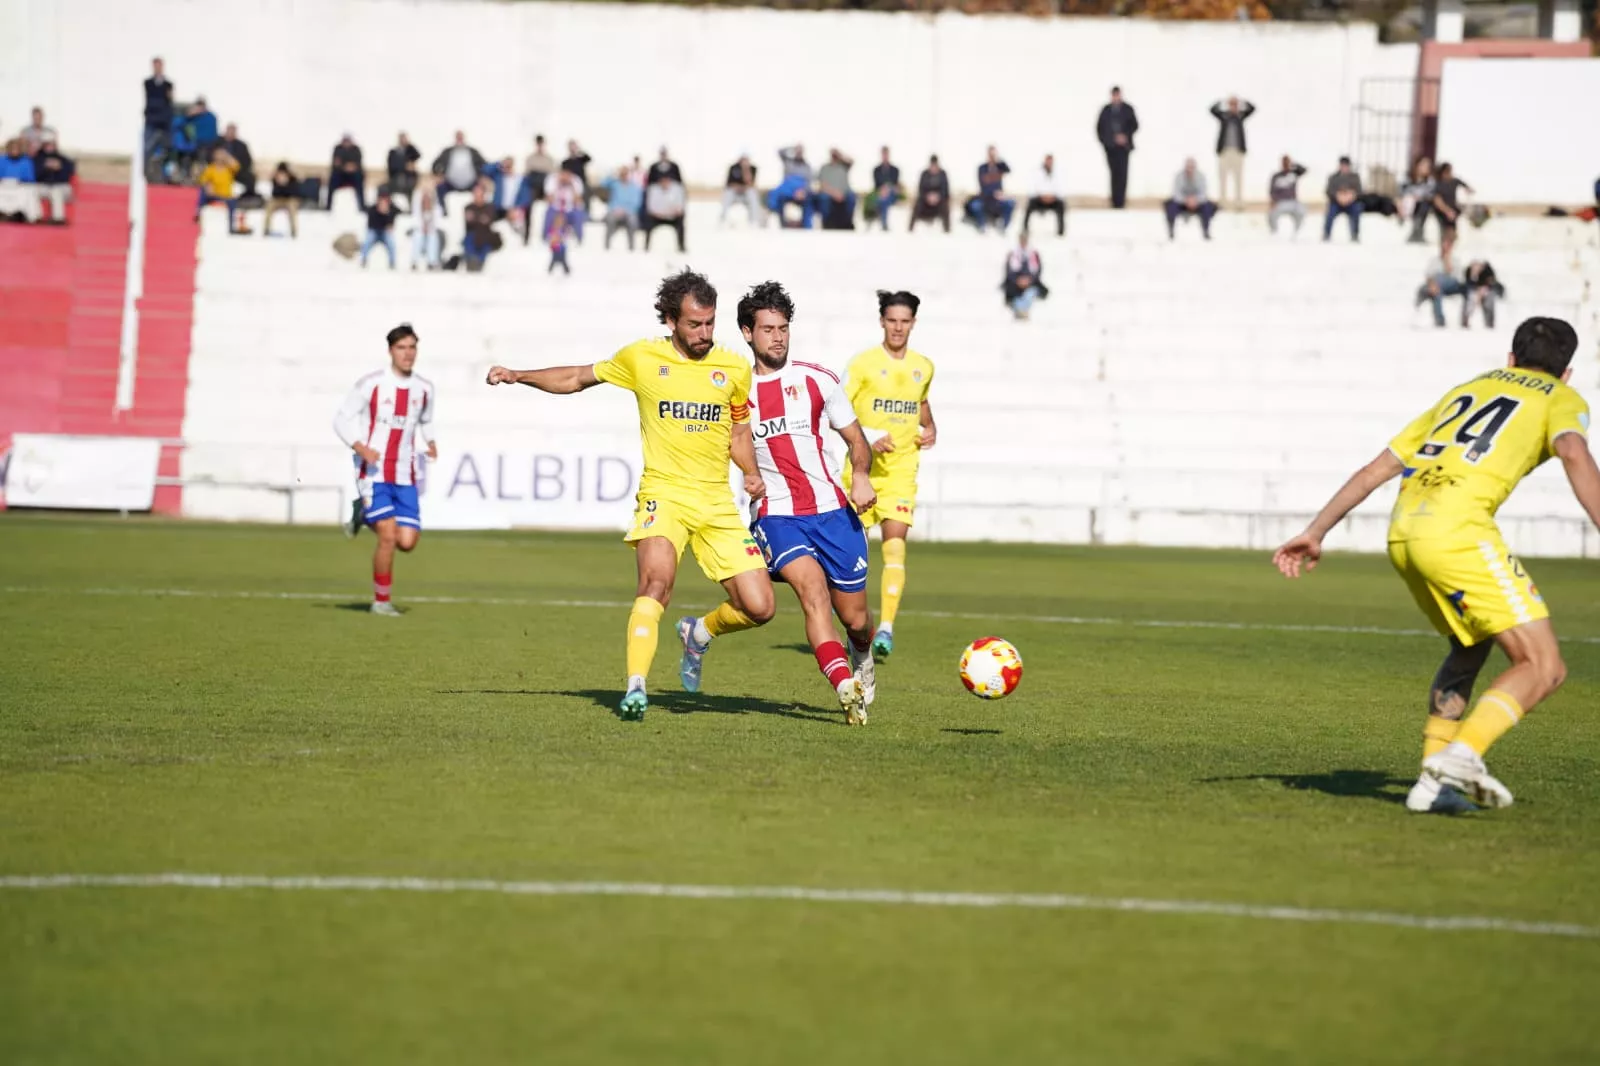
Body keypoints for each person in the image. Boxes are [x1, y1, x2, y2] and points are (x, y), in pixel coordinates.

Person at [1272, 318, 1595, 813]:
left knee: (1470, 646)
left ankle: (1431, 786)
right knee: (1544, 666)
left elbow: (1377, 468)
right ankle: (1463, 756)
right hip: (1457, 531)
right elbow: (1572, 450)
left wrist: (1316, 531)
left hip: (1405, 532)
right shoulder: (1559, 397)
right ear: (1566, 372)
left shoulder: (1466, 390)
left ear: (1509, 358)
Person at [484, 271, 775, 719]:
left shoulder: (734, 367)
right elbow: (578, 377)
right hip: (665, 495)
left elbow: (738, 432)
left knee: (760, 607)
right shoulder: (641, 358)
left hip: (716, 501)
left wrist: (752, 474)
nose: (704, 334)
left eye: (710, 323)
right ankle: (636, 687)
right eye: (695, 324)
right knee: (655, 585)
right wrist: (518, 374)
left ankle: (697, 633)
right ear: (670, 320)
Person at [705, 281, 880, 723]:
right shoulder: (733, 392)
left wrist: (860, 476)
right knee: (812, 593)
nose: (778, 337)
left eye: (783, 328)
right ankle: (845, 688)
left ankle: (861, 659)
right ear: (747, 333)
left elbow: (857, 441)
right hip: (778, 516)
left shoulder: (817, 379)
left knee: (856, 620)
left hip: (833, 514)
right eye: (767, 329)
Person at [843, 291, 938, 660]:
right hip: (863, 471)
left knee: (895, 545)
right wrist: (866, 432)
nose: (898, 327)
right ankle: (856, 624)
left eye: (905, 321)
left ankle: (885, 628)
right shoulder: (863, 364)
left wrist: (930, 428)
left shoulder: (923, 366)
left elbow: (922, 405)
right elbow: (837, 408)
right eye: (892, 320)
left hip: (901, 471)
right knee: (854, 555)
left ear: (913, 323)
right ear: (881, 321)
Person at [332, 324, 438, 616]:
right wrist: (359, 447)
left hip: (405, 474)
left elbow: (426, 420)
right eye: (402, 348)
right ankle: (381, 601)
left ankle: (362, 514)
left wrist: (430, 441)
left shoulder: (424, 388)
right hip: (373, 471)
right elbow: (341, 419)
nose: (408, 353)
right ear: (390, 350)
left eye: (412, 347)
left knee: (407, 542)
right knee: (388, 536)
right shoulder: (372, 384)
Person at [1209, 96, 1255, 211]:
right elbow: (1212, 110)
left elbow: (1252, 109)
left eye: (1235, 104)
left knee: (1238, 178)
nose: (1233, 106)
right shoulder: (1224, 116)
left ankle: (1238, 203)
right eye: (1231, 104)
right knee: (1223, 178)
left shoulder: (1240, 116)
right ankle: (1223, 203)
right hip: (1225, 151)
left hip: (1237, 152)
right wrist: (1222, 101)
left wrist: (1243, 102)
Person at [1096, 86, 1138, 209]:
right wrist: (1110, 140)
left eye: (1118, 95)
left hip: (1124, 148)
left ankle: (1121, 201)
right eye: (1114, 95)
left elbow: (1135, 125)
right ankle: (1114, 201)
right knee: (1114, 173)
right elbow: (1100, 128)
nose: (1116, 97)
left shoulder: (1128, 109)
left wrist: (1125, 136)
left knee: (1123, 173)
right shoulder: (1106, 110)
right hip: (1111, 148)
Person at [431, 131, 486, 217]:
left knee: (481, 189)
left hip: (471, 183)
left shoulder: (472, 151)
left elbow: (484, 164)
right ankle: (443, 212)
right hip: (451, 183)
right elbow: (435, 164)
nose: (459, 140)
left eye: (461, 137)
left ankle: (479, 213)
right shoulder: (447, 151)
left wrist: (482, 177)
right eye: (458, 137)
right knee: (439, 188)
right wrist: (438, 175)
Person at [1416, 230, 1464, 328]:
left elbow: (1456, 277)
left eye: (1448, 244)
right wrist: (1432, 284)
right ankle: (1431, 317)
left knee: (1439, 280)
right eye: (1444, 243)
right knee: (1433, 290)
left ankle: (1439, 319)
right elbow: (1428, 275)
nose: (1446, 246)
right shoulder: (1434, 260)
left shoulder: (1456, 260)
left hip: (1452, 285)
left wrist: (1447, 259)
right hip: (1434, 286)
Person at [1163, 158, 1216, 240]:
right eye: (1188, 167)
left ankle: (1206, 231)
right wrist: (1186, 200)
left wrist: (1195, 200)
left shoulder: (1201, 176)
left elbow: (1204, 193)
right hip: (1182, 203)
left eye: (1192, 167)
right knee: (1169, 205)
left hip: (1197, 203)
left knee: (1209, 207)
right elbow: (1176, 193)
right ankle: (1171, 232)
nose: (1190, 169)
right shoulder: (1179, 176)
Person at [966, 146, 1014, 234]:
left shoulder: (1000, 167)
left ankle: (1003, 227)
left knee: (1010, 203)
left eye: (993, 154)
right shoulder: (982, 168)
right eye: (990, 154)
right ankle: (981, 225)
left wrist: (998, 159)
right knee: (975, 205)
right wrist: (993, 193)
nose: (992, 156)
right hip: (985, 198)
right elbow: (982, 185)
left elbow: (1008, 170)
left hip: (998, 200)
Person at [1003, 232, 1047, 320]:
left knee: (1031, 292)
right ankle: (1020, 310)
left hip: (1030, 282)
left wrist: (1029, 280)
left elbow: (1037, 271)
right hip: (1015, 282)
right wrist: (1017, 280)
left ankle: (1022, 310)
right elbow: (1009, 271)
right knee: (1013, 292)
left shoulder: (1033, 253)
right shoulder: (1013, 253)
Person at [194, 148, 240, 230]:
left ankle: (231, 227)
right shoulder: (211, 168)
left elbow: (237, 166)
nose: (219, 157)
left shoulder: (228, 168)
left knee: (232, 202)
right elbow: (203, 180)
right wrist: (208, 186)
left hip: (226, 195)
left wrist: (226, 156)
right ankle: (198, 212)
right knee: (203, 192)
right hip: (214, 194)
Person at [31, 137, 75, 223]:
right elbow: (35, 176)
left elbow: (67, 178)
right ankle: (37, 217)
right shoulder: (37, 159)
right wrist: (45, 168)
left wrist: (60, 169)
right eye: (47, 144)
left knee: (56, 191)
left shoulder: (64, 160)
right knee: (32, 191)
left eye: (51, 144)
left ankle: (58, 218)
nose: (49, 147)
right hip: (44, 186)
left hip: (61, 186)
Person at [1023, 154, 1066, 238]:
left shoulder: (1058, 172)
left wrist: (1052, 197)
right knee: (1030, 204)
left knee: (1061, 204)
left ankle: (1060, 232)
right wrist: (1042, 196)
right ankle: (1025, 229)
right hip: (1040, 198)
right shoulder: (1036, 172)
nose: (1049, 163)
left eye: (1051, 161)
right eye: (1048, 161)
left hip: (1053, 199)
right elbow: (1033, 187)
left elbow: (1060, 188)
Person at [602, 166, 644, 250]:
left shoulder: (635, 187)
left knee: (632, 220)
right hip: (615, 211)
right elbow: (603, 183)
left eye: (626, 174)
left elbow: (637, 203)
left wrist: (625, 210)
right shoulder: (615, 184)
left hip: (629, 212)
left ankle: (631, 247)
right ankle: (606, 246)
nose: (624, 176)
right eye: (622, 174)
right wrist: (613, 173)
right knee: (610, 218)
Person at [1430, 162, 1474, 243]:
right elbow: (1437, 200)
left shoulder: (1454, 181)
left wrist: (1468, 190)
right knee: (1445, 227)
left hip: (1452, 208)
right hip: (1442, 211)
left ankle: (1452, 239)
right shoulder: (1438, 184)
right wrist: (1447, 211)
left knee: (1452, 225)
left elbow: (1465, 185)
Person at [643, 174, 686, 252]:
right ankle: (646, 247)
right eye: (663, 181)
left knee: (681, 223)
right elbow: (650, 207)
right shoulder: (653, 190)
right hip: (657, 217)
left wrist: (673, 212)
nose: (665, 183)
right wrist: (659, 213)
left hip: (672, 217)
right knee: (648, 222)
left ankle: (681, 247)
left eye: (667, 181)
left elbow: (680, 207)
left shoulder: (677, 189)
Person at [1323, 156, 1362, 242]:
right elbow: (1328, 191)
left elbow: (1359, 191)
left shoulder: (1355, 177)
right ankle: (1326, 234)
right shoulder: (1333, 177)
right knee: (1330, 211)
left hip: (1351, 202)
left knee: (1357, 209)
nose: (1344, 167)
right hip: (1336, 203)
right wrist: (1338, 196)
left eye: (1346, 165)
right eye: (1342, 165)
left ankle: (1355, 234)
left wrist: (1351, 196)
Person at [143, 58, 175, 160]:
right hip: (152, 117)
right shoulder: (148, 83)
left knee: (167, 144)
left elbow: (169, 100)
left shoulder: (168, 84)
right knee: (148, 145)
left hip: (164, 118)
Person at [909, 156, 951, 232]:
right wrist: (927, 197)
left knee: (945, 205)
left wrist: (938, 197)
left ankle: (947, 230)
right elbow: (920, 189)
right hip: (925, 202)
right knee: (917, 204)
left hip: (939, 203)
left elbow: (945, 190)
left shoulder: (943, 174)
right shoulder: (924, 174)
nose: (933, 167)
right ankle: (910, 229)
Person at [1267, 156, 1306, 236]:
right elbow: (1272, 190)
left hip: (1293, 202)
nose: (1285, 164)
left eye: (1287, 162)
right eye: (1284, 162)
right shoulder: (1276, 176)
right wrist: (1273, 201)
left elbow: (1304, 170)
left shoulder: (1293, 174)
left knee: (1302, 211)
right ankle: (1274, 231)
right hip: (1280, 202)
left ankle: (1296, 232)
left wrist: (1293, 164)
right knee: (1271, 214)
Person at [461, 183, 497, 272]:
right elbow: (470, 222)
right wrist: (480, 218)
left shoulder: (490, 207)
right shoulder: (468, 207)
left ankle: (479, 262)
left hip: (486, 235)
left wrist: (476, 218)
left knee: (485, 243)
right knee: (469, 240)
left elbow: (487, 221)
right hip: (472, 234)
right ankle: (472, 260)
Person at [1399, 156, 1435, 244]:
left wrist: (1420, 197)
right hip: (1409, 203)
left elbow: (1431, 194)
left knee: (1424, 205)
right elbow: (1401, 191)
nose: (1425, 168)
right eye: (1423, 165)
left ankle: (1417, 232)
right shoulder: (1408, 178)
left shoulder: (1430, 181)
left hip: (1422, 204)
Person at [1461, 257, 1503, 330]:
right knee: (1471, 298)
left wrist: (1483, 290)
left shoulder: (1488, 272)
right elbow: (1468, 285)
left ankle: (1490, 324)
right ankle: (1465, 322)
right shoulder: (1469, 272)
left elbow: (1493, 284)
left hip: (1489, 291)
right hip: (1476, 293)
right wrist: (1473, 276)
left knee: (1489, 300)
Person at [327, 133, 365, 212]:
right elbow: (336, 163)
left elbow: (358, 164)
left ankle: (362, 206)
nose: (347, 143)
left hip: (353, 176)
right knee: (333, 179)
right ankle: (328, 206)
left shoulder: (356, 149)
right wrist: (345, 167)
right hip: (341, 175)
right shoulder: (338, 149)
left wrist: (351, 166)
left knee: (359, 178)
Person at [360, 191, 398, 269]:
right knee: (367, 242)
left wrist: (387, 214)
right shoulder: (372, 209)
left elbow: (400, 213)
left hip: (385, 232)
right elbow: (371, 225)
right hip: (374, 231)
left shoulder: (392, 209)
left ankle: (392, 263)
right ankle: (363, 260)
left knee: (391, 244)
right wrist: (381, 213)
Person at [721, 153, 761, 226]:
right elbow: (728, 184)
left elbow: (751, 184)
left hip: (746, 195)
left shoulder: (753, 168)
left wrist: (745, 169)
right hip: (734, 194)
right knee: (728, 194)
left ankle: (753, 221)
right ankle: (723, 219)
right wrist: (738, 187)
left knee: (752, 193)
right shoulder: (733, 168)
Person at [263, 162, 300, 238]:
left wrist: (286, 184)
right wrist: (278, 183)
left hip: (289, 200)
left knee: (292, 208)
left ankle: (294, 232)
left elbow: (295, 193)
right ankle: (266, 230)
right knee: (269, 206)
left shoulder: (293, 179)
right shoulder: (275, 179)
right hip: (277, 200)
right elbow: (274, 193)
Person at [409, 185, 442, 269]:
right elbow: (415, 222)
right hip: (420, 231)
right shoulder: (417, 210)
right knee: (417, 235)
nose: (426, 200)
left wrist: (429, 228)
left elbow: (438, 224)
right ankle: (414, 261)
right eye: (425, 198)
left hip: (431, 232)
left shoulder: (436, 210)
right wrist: (423, 228)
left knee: (433, 236)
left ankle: (432, 262)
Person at [385, 132, 421, 206]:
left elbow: (418, 155)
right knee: (383, 188)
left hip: (408, 178)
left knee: (409, 187)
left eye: (404, 139)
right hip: (396, 177)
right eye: (401, 139)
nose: (403, 140)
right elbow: (391, 166)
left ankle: (410, 208)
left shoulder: (410, 150)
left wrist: (409, 145)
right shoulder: (393, 152)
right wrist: (404, 166)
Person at [869, 147, 900, 230]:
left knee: (885, 198)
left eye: (886, 154)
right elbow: (876, 185)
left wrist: (888, 188)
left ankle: (883, 223)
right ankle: (883, 224)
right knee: (882, 199)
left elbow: (896, 185)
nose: (885, 156)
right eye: (883, 154)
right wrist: (882, 190)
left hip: (891, 194)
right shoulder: (876, 170)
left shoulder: (895, 170)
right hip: (880, 193)